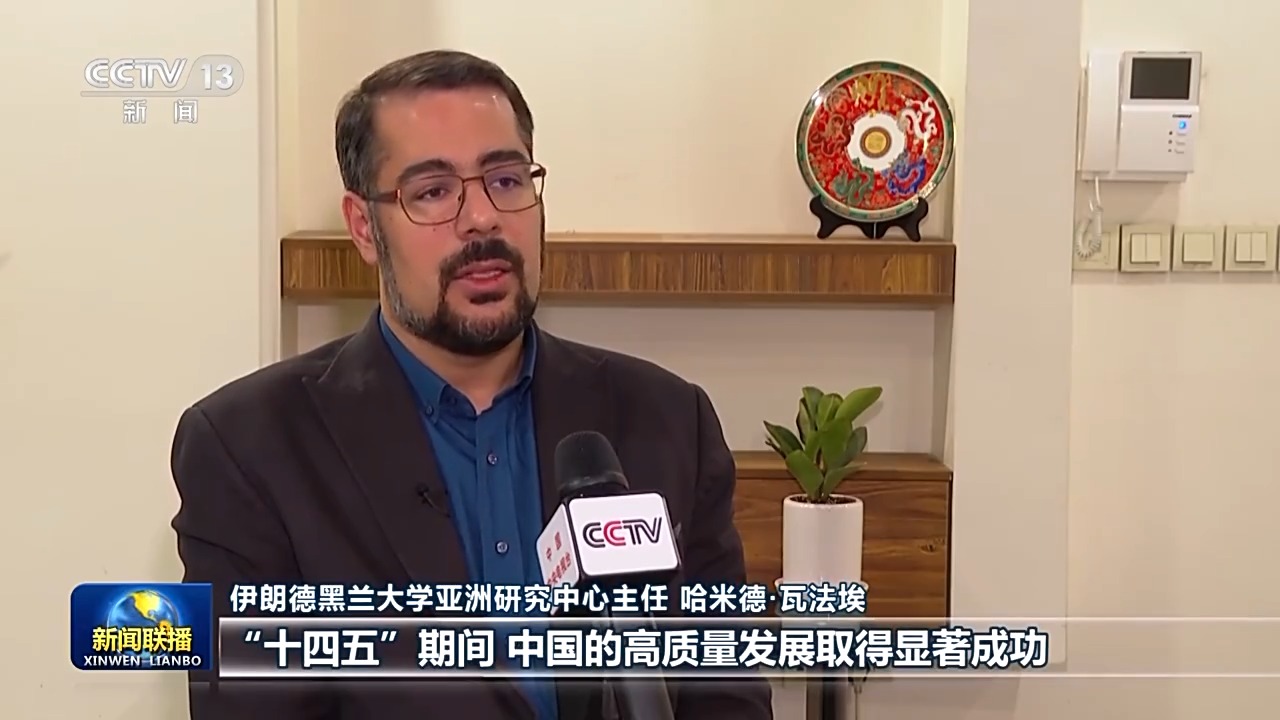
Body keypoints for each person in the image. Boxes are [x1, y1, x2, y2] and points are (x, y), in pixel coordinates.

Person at [169, 49, 773, 720]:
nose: (482, 218)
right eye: (432, 191)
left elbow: (727, 694)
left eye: (506, 180)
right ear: (365, 228)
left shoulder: (669, 419)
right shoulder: (249, 448)